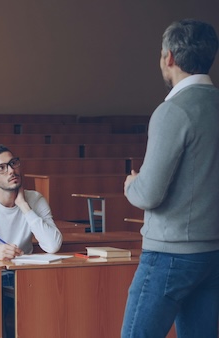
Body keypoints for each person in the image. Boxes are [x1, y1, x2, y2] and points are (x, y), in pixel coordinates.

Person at [121, 19, 219, 338]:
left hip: (170, 253)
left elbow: (149, 194)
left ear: (170, 58)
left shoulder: (173, 111)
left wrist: (131, 184)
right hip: (212, 252)